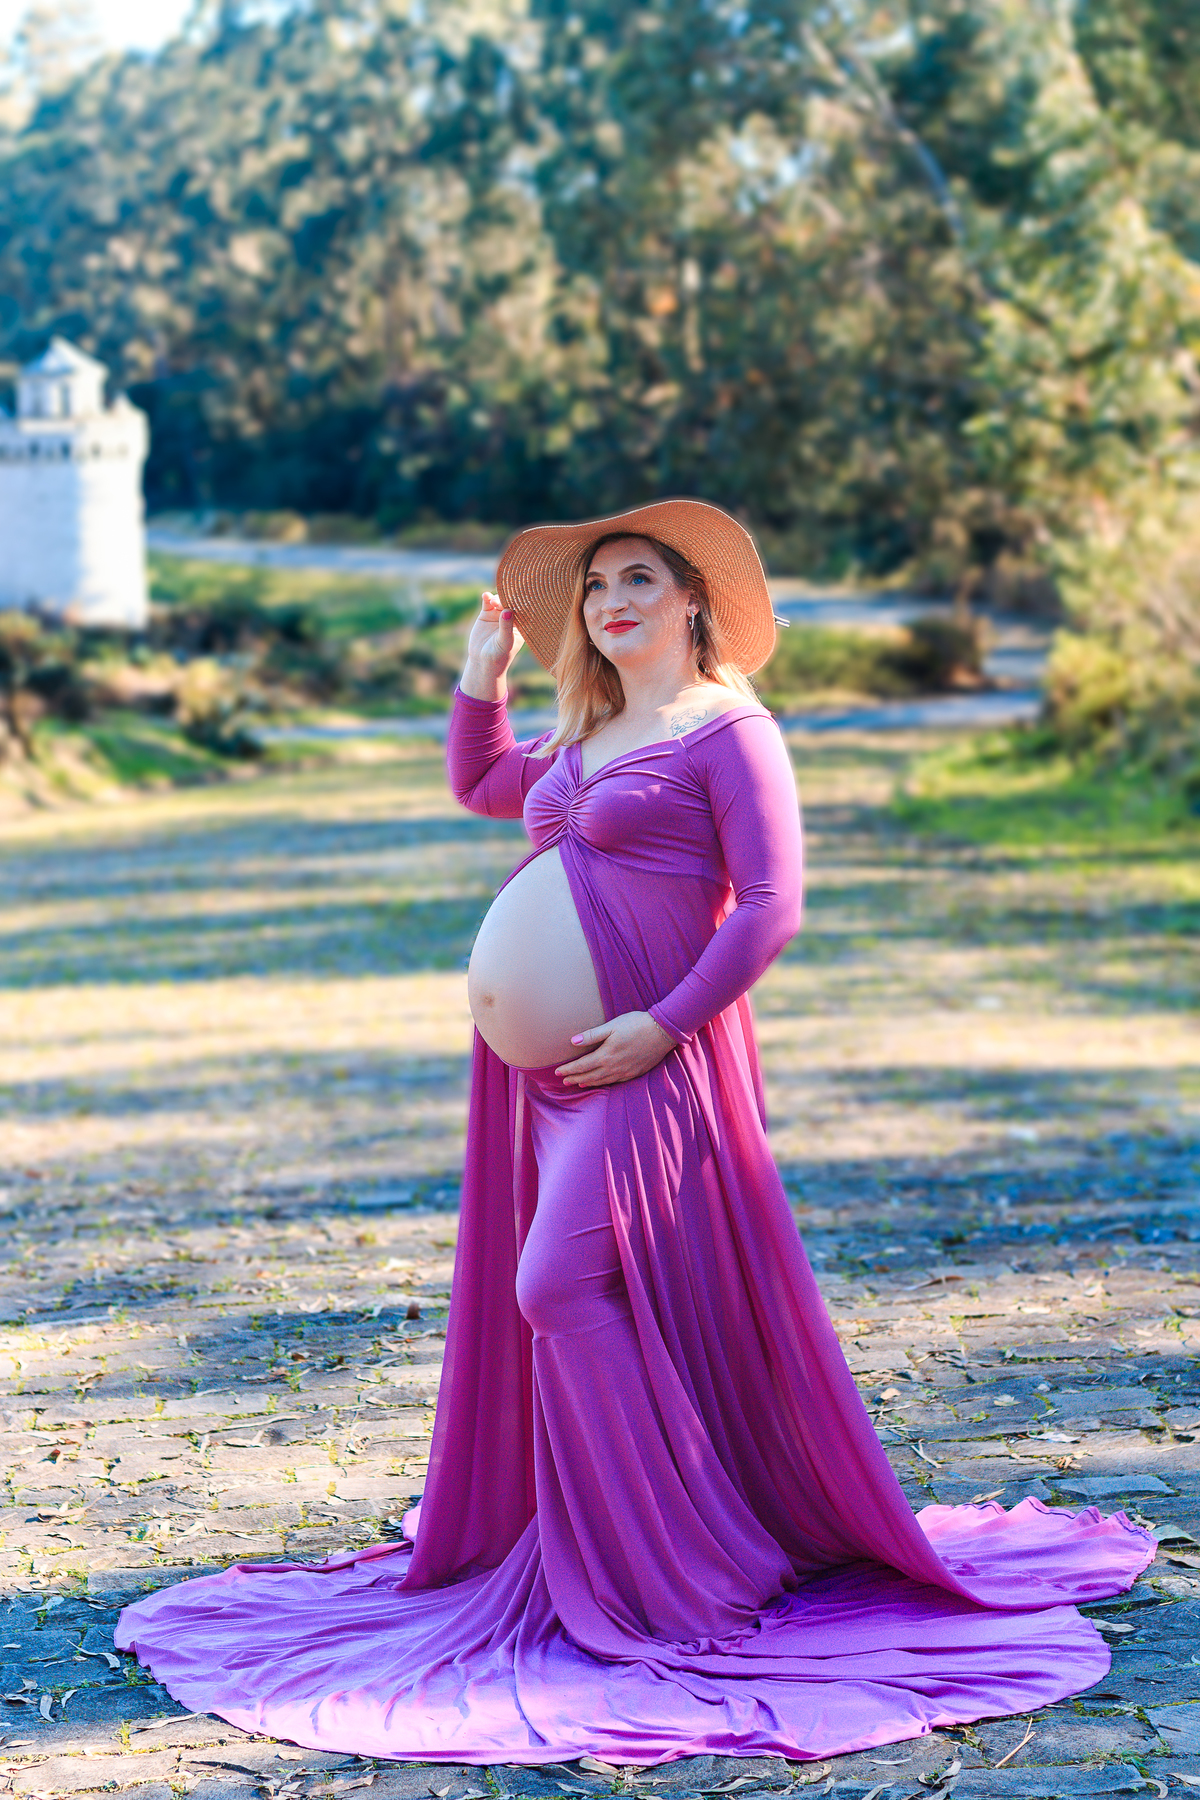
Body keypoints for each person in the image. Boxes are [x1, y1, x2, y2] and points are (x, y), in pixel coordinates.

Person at [116, 500, 1153, 1766]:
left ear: (694, 599)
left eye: (640, 580)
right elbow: (482, 784)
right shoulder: (590, 731)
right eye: (599, 585)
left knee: (557, 1286)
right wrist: (481, 678)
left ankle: (674, 1572)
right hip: (550, 1084)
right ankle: (616, 1542)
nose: (612, 602)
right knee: (576, 1293)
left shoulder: (731, 732)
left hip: (648, 1062)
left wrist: (664, 1025)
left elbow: (770, 906)